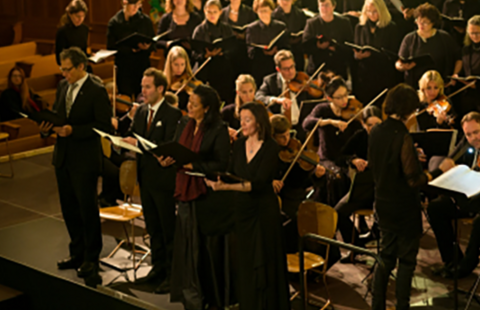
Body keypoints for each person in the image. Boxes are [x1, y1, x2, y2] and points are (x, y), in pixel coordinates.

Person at [368, 83, 454, 310]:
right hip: (403, 207)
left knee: (385, 257)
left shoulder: (376, 130)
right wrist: (438, 170)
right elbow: (414, 180)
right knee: (406, 261)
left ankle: (377, 305)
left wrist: (410, 158)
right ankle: (402, 306)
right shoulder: (402, 135)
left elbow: (383, 163)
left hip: (383, 203)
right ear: (409, 109)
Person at [38, 47, 112, 285]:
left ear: (81, 67)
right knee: (68, 208)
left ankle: (92, 256)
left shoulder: (96, 90)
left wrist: (74, 131)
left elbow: (104, 126)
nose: (64, 74)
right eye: (62, 69)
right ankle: (76, 251)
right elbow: (60, 114)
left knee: (87, 208)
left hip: (85, 158)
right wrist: (48, 125)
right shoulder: (63, 87)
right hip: (63, 157)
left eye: (67, 69)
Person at [206, 101, 290, 310]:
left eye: (247, 120)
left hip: (263, 212)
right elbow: (233, 171)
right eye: (241, 119)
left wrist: (224, 187)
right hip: (243, 210)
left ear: (259, 122)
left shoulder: (271, 147)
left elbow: (259, 184)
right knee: (245, 260)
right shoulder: (240, 143)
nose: (242, 124)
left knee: (266, 260)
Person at [165, 84, 232, 309]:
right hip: (184, 192)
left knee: (200, 251)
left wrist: (195, 164)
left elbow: (221, 164)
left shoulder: (218, 129)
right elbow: (177, 150)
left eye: (193, 104)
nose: (188, 107)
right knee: (185, 246)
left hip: (205, 197)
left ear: (207, 108)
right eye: (189, 103)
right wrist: (167, 160)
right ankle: (188, 295)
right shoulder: (185, 123)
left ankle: (203, 297)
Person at [121, 68, 182, 293]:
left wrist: (140, 144)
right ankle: (157, 267)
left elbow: (167, 145)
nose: (143, 91)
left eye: (147, 87)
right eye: (142, 86)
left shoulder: (172, 114)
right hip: (145, 178)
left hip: (164, 180)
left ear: (160, 89)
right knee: (153, 228)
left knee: (167, 229)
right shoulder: (140, 111)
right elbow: (134, 134)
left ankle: (172, 274)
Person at [427, 111, 480, 279]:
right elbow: (450, 160)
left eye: (477, 132)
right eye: (469, 134)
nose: (473, 138)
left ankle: (465, 267)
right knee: (436, 208)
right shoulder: (469, 145)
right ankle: (452, 260)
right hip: (470, 197)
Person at [302, 76, 362, 206]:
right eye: (339, 97)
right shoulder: (322, 110)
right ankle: (333, 213)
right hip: (326, 158)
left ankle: (346, 212)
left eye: (346, 95)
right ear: (329, 98)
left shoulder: (352, 111)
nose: (344, 100)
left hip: (346, 158)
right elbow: (306, 123)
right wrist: (329, 122)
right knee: (336, 177)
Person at [271, 114, 326, 253]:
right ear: (273, 136)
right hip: (283, 199)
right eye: (282, 137)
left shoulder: (295, 148)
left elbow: (304, 181)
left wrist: (315, 175)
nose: (287, 140)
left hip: (299, 196)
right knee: (298, 223)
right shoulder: (269, 153)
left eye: (288, 135)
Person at [334, 105, 382, 256]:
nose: (373, 129)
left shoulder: (388, 137)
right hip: (363, 189)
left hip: (383, 192)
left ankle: (375, 238)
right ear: (363, 124)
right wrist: (353, 160)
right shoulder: (360, 136)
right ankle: (357, 246)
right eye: (369, 125)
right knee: (338, 213)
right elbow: (340, 157)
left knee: (384, 212)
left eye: (377, 125)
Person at [396, 3, 462, 88]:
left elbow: (458, 58)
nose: (421, 25)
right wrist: (402, 66)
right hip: (416, 86)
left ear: (433, 22)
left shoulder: (444, 37)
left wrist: (455, 74)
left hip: (439, 87)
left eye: (425, 23)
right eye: (418, 21)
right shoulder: (409, 38)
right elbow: (399, 61)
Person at [255, 50, 311, 141]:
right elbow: (258, 96)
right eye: (286, 69)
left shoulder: (302, 79)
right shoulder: (270, 81)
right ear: (278, 69)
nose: (291, 71)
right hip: (279, 131)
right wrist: (277, 100)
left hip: (301, 128)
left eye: (292, 66)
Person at [353, 0, 400, 104]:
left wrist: (375, 54)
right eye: (369, 11)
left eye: (375, 11)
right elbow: (356, 47)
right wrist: (358, 56)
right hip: (364, 75)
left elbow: (393, 53)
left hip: (383, 74)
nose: (371, 14)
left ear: (381, 11)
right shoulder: (360, 27)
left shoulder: (390, 27)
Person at [107, 0, 155, 97]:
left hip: (142, 66)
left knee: (144, 98)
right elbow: (111, 47)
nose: (136, 8)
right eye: (133, 4)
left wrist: (147, 47)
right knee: (125, 100)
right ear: (125, 2)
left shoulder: (145, 21)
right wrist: (130, 50)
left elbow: (153, 42)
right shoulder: (115, 23)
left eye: (138, 4)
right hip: (124, 68)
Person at [192, 0, 236, 103]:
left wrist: (223, 53)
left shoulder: (226, 29)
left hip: (223, 69)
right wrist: (205, 55)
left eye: (215, 12)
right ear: (204, 12)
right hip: (206, 69)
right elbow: (194, 53)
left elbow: (234, 49)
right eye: (209, 12)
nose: (212, 15)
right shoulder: (199, 30)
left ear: (220, 12)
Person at [302, 0, 353, 79]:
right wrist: (318, 46)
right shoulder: (312, 24)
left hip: (338, 69)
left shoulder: (344, 23)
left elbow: (350, 46)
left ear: (334, 6)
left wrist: (336, 48)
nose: (324, 8)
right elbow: (305, 47)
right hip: (317, 70)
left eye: (327, 5)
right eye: (321, 5)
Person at [246, 0, 289, 87]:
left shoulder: (280, 26)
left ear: (271, 10)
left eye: (265, 10)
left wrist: (277, 51)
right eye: (260, 11)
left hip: (277, 65)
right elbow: (250, 52)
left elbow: (286, 46)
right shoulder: (252, 29)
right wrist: (263, 52)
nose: (263, 14)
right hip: (261, 67)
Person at [219, 0, 257, 77]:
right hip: (229, 53)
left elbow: (254, 29)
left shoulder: (249, 11)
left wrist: (245, 35)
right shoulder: (222, 12)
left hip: (245, 51)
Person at [272, 0, 308, 71]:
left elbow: (304, 31)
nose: (285, 2)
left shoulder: (300, 14)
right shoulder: (274, 15)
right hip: (281, 53)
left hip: (297, 51)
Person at [456, 15, 480, 120]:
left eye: (478, 33)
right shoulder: (465, 49)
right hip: (467, 95)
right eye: (471, 33)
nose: (474, 36)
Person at [55, 0, 90, 70]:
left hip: (82, 67)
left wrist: (90, 56)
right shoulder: (62, 31)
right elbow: (59, 59)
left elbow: (82, 51)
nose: (80, 19)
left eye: (83, 16)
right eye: (77, 16)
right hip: (70, 69)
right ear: (69, 14)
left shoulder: (85, 29)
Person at [222, 74, 256, 140]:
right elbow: (215, 126)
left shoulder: (261, 109)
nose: (248, 95)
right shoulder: (229, 111)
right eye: (244, 92)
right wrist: (227, 130)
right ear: (238, 92)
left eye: (251, 91)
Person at [164, 46, 196, 111]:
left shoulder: (190, 80)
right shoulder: (163, 80)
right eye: (176, 64)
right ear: (170, 64)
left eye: (182, 64)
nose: (179, 68)